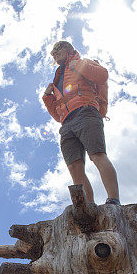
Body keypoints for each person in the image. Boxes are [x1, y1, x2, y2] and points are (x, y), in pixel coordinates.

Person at [42, 40, 120, 205]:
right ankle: (88, 208)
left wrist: (80, 66)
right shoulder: (56, 80)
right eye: (53, 54)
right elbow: (58, 115)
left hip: (86, 111)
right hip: (66, 123)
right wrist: (48, 98)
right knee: (74, 167)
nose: (55, 54)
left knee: (97, 155)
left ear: (68, 48)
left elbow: (102, 75)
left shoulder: (81, 62)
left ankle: (113, 199)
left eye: (58, 50)